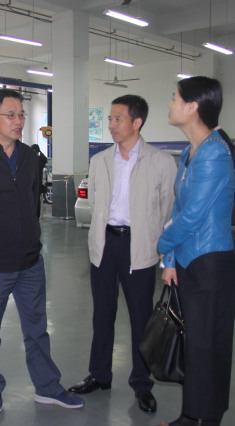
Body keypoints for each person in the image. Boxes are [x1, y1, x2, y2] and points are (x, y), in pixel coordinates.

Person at [0, 88, 85, 414]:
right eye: (11, 115)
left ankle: (47, 387)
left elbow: (32, 204)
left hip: (30, 263)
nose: (19, 121)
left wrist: (31, 239)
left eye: (21, 115)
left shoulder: (29, 159)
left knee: (37, 330)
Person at [68, 95, 176, 414]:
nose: (111, 125)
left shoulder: (160, 161)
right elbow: (96, 202)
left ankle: (142, 383)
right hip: (105, 244)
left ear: (137, 122)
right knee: (102, 314)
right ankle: (99, 375)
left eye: (118, 119)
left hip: (138, 246)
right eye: (110, 119)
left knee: (141, 317)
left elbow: (168, 209)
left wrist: (163, 250)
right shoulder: (101, 160)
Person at [157, 77, 235, 426]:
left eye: (174, 98)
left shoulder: (214, 154)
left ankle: (206, 419)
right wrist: (170, 260)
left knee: (209, 347)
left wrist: (161, 245)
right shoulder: (190, 153)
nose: (170, 104)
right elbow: (179, 209)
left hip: (211, 264)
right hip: (189, 260)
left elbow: (192, 217)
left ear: (192, 107)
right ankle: (191, 416)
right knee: (195, 345)